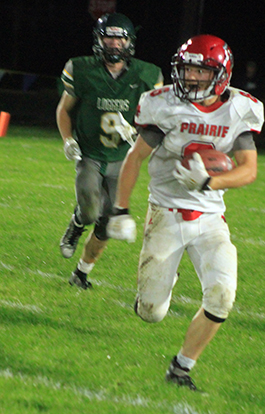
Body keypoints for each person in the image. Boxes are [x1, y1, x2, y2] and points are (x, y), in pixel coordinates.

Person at [107, 35, 264, 390]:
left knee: (222, 295)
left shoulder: (239, 108)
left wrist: (211, 182)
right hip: (166, 211)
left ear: (221, 74)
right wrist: (120, 209)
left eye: (199, 70)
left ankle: (181, 368)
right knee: (151, 313)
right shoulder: (164, 105)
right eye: (187, 68)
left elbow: (249, 169)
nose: (190, 77)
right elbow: (135, 158)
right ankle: (162, 284)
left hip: (210, 218)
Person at [56, 12, 163, 289]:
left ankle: (81, 274)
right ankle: (77, 224)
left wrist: (138, 131)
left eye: (119, 38)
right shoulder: (81, 69)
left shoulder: (147, 75)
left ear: (129, 42)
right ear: (98, 39)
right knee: (91, 211)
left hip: (123, 159)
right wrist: (68, 140)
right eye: (108, 37)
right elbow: (64, 111)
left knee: (107, 225)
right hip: (90, 154)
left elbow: (156, 118)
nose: (114, 44)